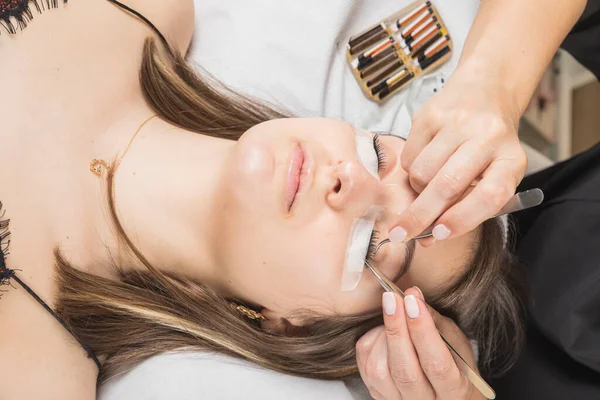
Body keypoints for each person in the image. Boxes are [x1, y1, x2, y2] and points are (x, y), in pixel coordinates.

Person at [0, 1, 521, 399]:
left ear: (289, 324)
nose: (351, 183)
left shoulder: (31, 372)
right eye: (380, 157)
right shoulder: (152, 9)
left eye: (369, 247)